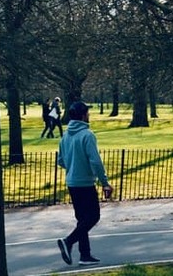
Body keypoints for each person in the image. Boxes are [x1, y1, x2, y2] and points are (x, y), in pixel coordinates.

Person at [56, 101, 113, 266]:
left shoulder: (65, 136)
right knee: (93, 216)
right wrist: (105, 183)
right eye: (88, 113)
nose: (89, 115)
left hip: (72, 182)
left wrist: (73, 166)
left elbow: (60, 160)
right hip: (85, 183)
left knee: (82, 219)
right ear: (82, 115)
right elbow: (95, 161)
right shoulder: (87, 135)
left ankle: (85, 255)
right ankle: (68, 241)